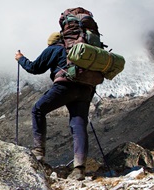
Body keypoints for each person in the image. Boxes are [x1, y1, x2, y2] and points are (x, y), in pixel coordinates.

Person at [15, 31, 95, 180]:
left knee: (38, 110)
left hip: (65, 86)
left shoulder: (54, 49)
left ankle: (38, 152)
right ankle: (79, 169)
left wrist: (21, 59)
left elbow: (35, 68)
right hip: (85, 88)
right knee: (78, 124)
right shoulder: (81, 50)